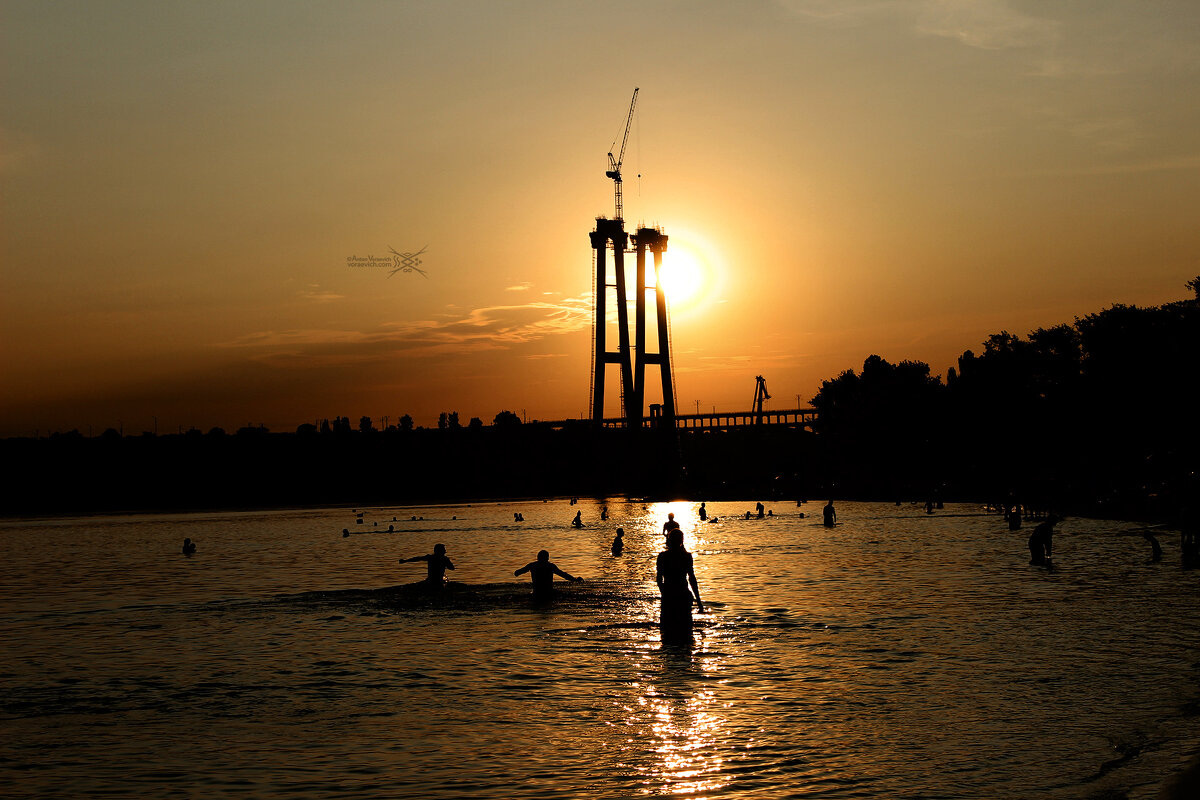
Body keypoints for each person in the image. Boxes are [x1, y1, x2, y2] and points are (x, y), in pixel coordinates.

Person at [656, 528, 704, 638]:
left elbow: (659, 580)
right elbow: (692, 579)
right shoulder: (686, 556)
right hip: (683, 595)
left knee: (666, 631)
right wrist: (699, 601)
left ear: (669, 541)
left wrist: (664, 593)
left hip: (669, 595)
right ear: (681, 541)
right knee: (686, 631)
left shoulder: (662, 557)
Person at [515, 550, 582, 600]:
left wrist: (517, 572)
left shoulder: (532, 565)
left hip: (537, 592)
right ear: (547, 558)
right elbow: (563, 575)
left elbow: (518, 572)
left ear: (538, 558)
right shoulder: (550, 566)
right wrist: (574, 580)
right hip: (549, 592)